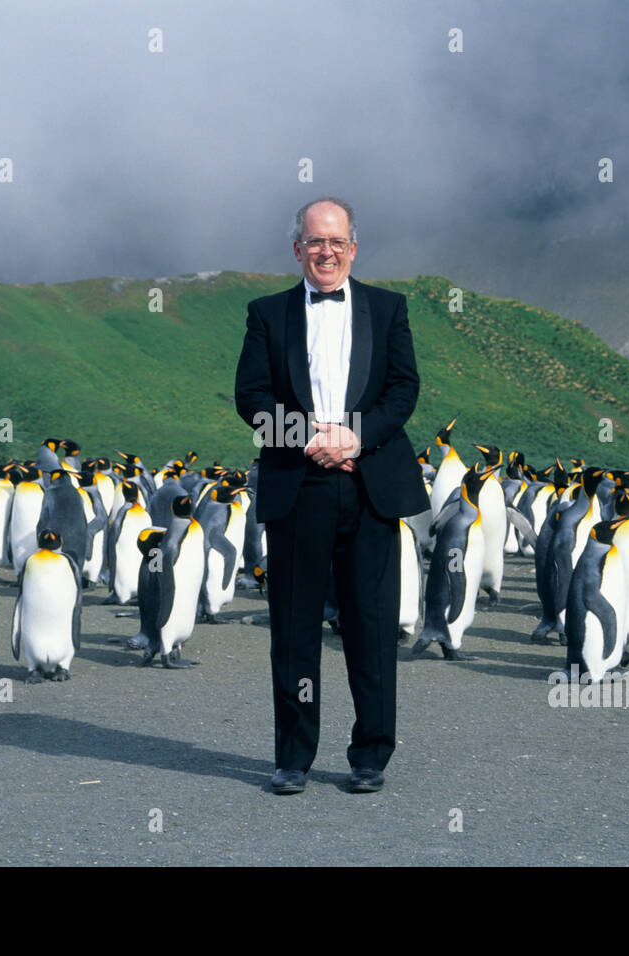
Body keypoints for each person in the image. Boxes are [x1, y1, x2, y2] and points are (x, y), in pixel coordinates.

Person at [234, 197, 427, 795]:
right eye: (315, 242)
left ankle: (371, 752)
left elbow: (403, 389)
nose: (326, 252)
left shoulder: (387, 308)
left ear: (353, 248)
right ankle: (293, 755)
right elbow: (252, 397)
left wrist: (355, 437)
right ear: (297, 249)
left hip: (368, 485)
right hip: (300, 486)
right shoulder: (268, 313)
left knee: (370, 626)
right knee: (293, 630)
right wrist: (308, 437)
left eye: (336, 242)